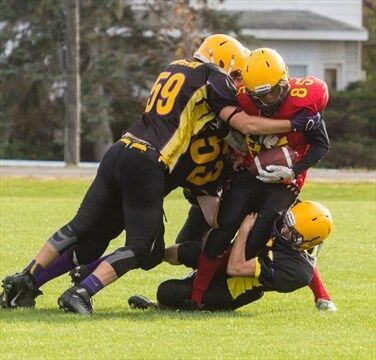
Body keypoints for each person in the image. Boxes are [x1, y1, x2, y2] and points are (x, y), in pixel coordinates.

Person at [1, 35, 321, 315]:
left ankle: (26, 279)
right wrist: (296, 125)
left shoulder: (173, 67)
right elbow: (244, 126)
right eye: (236, 73)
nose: (237, 83)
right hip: (149, 162)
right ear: (223, 62)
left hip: (120, 150)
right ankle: (82, 291)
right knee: (144, 250)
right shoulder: (214, 79)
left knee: (86, 231)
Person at [189, 47, 331, 309]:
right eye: (260, 96)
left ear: (285, 81)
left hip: (285, 179)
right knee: (223, 228)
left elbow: (322, 145)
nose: (267, 101)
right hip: (250, 169)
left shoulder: (305, 98)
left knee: (270, 235)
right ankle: (196, 295)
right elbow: (234, 130)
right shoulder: (241, 98)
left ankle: (322, 294)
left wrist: (295, 169)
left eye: (273, 92)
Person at [127, 201, 334, 311]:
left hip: (234, 287)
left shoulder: (295, 271)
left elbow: (235, 268)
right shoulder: (295, 224)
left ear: (305, 243)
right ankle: (149, 256)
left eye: (292, 233)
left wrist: (244, 231)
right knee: (189, 250)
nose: (284, 230)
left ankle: (161, 307)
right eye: (288, 223)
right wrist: (322, 296)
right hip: (236, 255)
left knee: (168, 291)